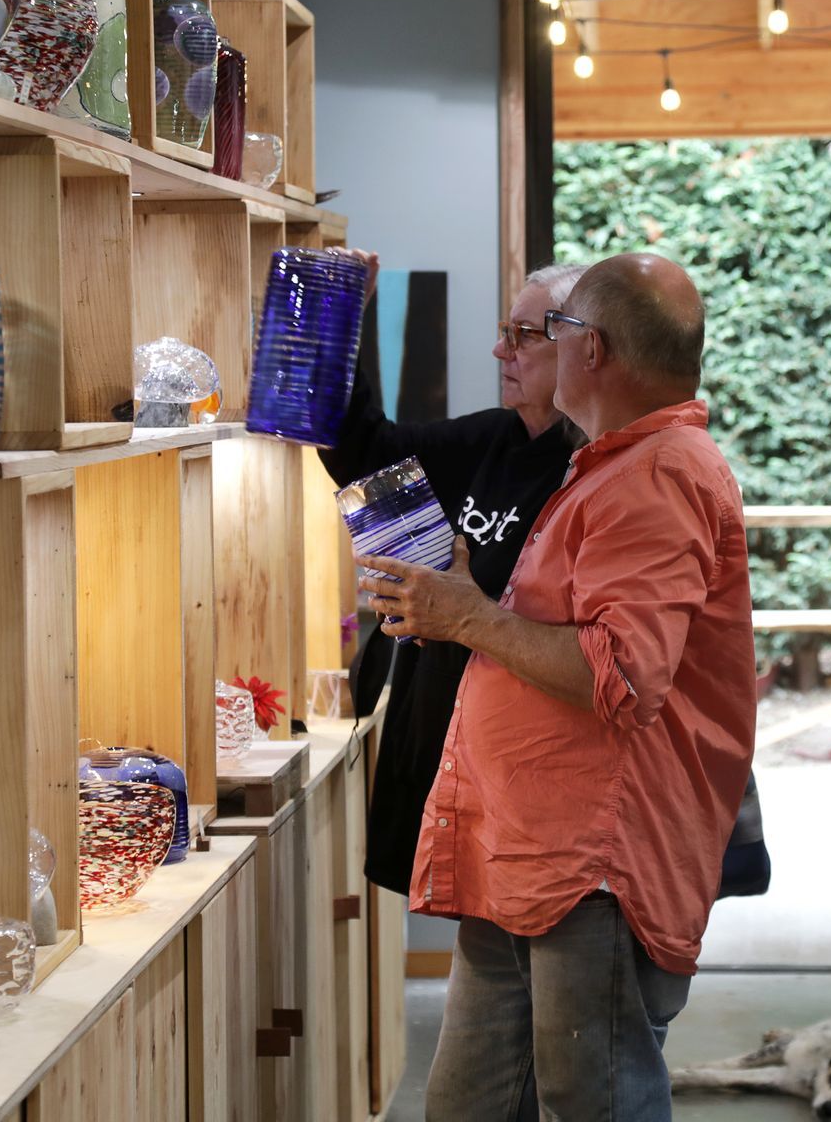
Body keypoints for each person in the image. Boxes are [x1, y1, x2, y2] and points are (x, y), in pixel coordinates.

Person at [357, 252, 757, 1121]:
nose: (515, 348)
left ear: (594, 351)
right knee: (469, 1106)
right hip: (530, 849)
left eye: (550, 329)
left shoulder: (657, 476)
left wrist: (466, 617)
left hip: (593, 865)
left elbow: (621, 678)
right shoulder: (610, 465)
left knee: (592, 1102)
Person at [319, 254, 589, 895]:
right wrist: (340, 319)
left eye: (525, 336)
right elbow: (362, 453)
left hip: (538, 787)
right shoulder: (492, 440)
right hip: (447, 753)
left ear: (585, 349)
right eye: (506, 330)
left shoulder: (597, 472)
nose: (501, 350)